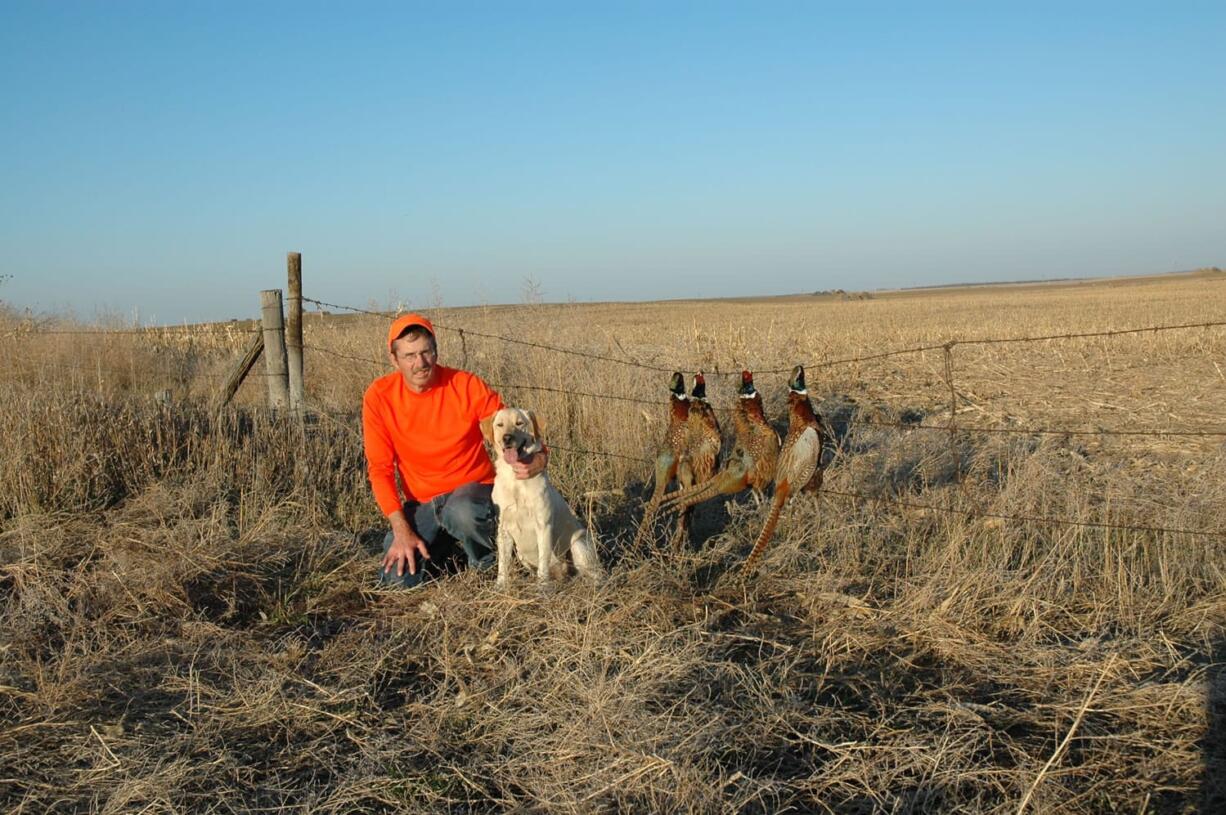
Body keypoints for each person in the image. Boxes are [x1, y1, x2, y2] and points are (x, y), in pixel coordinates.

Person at [362, 313, 547, 588]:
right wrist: (401, 530)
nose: (420, 363)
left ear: (436, 350)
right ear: (394, 359)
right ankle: (450, 553)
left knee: (461, 511)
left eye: (426, 352)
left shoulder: (466, 385)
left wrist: (539, 460)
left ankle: (489, 564)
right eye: (410, 355)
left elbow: (514, 428)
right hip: (423, 503)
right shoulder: (379, 396)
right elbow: (380, 469)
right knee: (395, 580)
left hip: (473, 492)